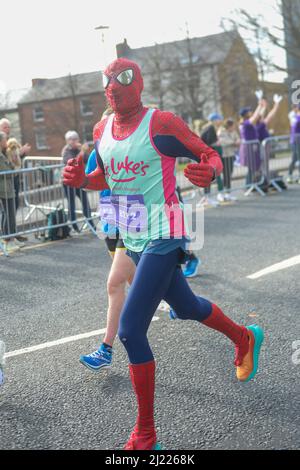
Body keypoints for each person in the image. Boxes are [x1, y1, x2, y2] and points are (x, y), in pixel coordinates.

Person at [63, 58, 264, 451]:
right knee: (187, 306)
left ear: (137, 84)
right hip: (134, 234)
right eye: (107, 83)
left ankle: (146, 435)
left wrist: (210, 170)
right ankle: (244, 336)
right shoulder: (101, 128)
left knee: (131, 329)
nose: (113, 88)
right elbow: (106, 176)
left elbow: (208, 153)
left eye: (121, 81)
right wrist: (82, 180)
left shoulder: (161, 123)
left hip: (165, 231)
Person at [79, 147, 136, 371]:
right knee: (133, 276)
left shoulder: (131, 146)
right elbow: (90, 180)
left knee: (114, 283)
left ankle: (106, 349)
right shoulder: (97, 151)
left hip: (134, 211)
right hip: (110, 213)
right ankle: (173, 300)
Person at [0, 118, 31, 242]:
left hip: (13, 178)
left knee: (14, 206)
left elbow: (14, 159)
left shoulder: (9, 142)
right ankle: (7, 235)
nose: (8, 129)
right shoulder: (3, 144)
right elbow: (7, 162)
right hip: (6, 180)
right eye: (5, 127)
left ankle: (13, 233)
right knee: (7, 209)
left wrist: (21, 153)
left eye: (9, 127)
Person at [62, 131, 96, 233]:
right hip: (69, 181)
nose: (73, 141)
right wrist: (82, 152)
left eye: (75, 139)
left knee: (85, 202)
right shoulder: (66, 151)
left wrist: (85, 151)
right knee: (71, 204)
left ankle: (90, 223)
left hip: (80, 180)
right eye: (70, 139)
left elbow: (89, 159)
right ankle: (74, 225)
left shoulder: (79, 149)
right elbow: (73, 163)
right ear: (67, 141)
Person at [0, 132, 25, 252]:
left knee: (9, 214)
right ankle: (7, 241)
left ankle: (10, 239)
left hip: (8, 187)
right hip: (4, 188)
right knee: (8, 214)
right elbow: (7, 170)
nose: (6, 142)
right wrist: (13, 166)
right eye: (4, 140)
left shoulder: (3, 154)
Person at [239, 99, 266, 188]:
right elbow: (255, 116)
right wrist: (259, 105)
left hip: (252, 146)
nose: (251, 112)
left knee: (254, 167)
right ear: (245, 114)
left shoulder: (247, 122)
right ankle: (248, 185)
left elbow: (258, 116)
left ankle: (251, 184)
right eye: (249, 111)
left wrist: (263, 107)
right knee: (251, 167)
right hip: (249, 147)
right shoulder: (245, 123)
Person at [201, 113, 225, 204]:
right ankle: (207, 197)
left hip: (206, 156)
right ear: (215, 120)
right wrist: (217, 143)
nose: (220, 121)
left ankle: (208, 196)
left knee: (211, 175)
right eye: (219, 119)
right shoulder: (210, 128)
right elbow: (209, 143)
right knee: (209, 176)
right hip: (207, 156)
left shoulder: (208, 128)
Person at [218, 119, 240, 200]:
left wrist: (238, 141)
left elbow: (237, 138)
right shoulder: (221, 131)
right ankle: (221, 193)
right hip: (224, 156)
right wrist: (233, 142)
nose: (234, 127)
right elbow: (223, 141)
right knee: (225, 174)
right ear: (229, 126)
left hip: (231, 155)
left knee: (229, 173)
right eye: (233, 126)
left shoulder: (233, 132)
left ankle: (228, 193)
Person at [287, 104, 300, 184]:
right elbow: (295, 126)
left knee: (297, 159)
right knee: (295, 159)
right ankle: (290, 175)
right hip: (295, 141)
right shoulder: (293, 116)